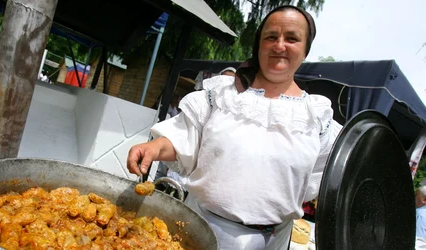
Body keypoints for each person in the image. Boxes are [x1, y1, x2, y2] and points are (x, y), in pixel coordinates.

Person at [127, 5, 342, 250]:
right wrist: (153, 148)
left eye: (292, 38)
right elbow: (184, 138)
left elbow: (323, 182)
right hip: (198, 227)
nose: (279, 45)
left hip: (271, 241)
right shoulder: (222, 95)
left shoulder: (317, 118)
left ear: (305, 51)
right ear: (258, 45)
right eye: (271, 37)